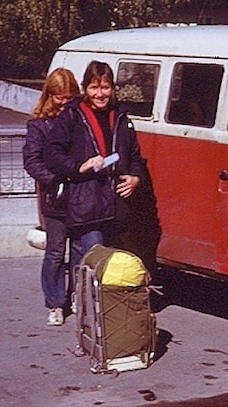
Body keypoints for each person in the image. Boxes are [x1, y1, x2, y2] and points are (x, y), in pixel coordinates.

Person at [44, 60, 159, 273]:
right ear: (85, 88)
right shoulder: (72, 115)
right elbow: (51, 154)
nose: (100, 94)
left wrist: (135, 177)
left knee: (98, 264)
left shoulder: (121, 117)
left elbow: (134, 155)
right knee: (96, 260)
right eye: (94, 87)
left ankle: (89, 304)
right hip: (86, 204)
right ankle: (83, 304)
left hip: (115, 206)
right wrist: (79, 166)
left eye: (105, 87)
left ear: (112, 88)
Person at [22, 67, 80, 326]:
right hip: (56, 196)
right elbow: (32, 161)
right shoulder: (39, 125)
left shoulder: (81, 119)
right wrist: (55, 180)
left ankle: (79, 297)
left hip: (82, 195)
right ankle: (55, 303)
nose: (65, 103)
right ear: (49, 95)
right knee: (55, 253)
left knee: (82, 251)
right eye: (60, 98)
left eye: (70, 97)